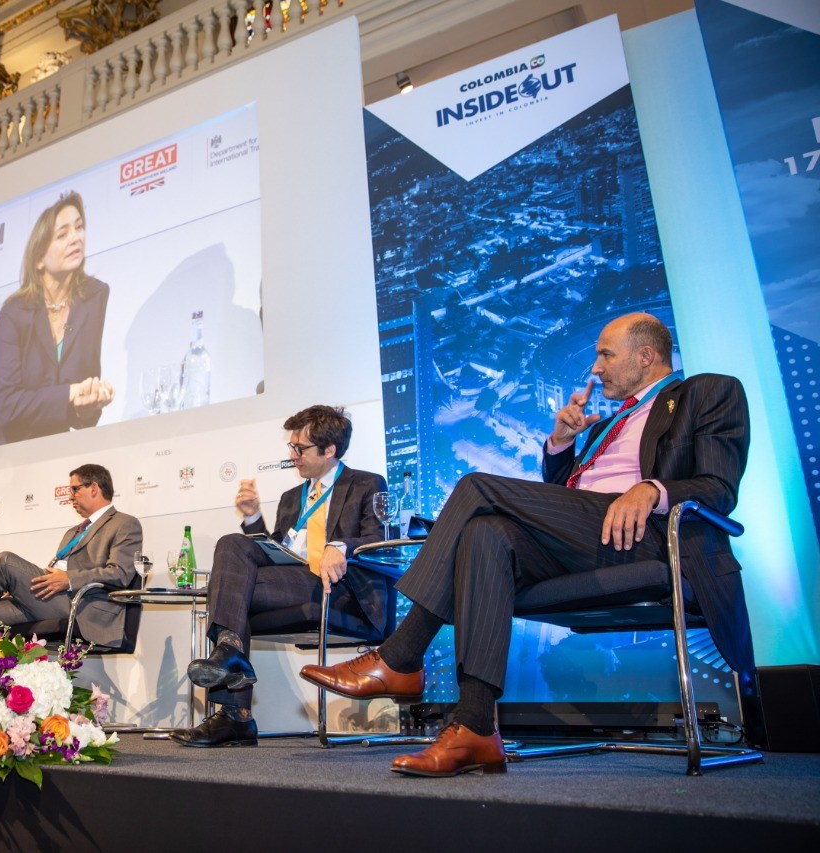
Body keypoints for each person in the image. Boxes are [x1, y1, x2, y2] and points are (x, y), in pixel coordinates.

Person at [301, 313, 755, 776]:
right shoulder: (605, 424)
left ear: (645, 356)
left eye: (606, 355)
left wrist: (652, 490)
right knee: (485, 533)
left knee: (476, 487)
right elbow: (562, 497)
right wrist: (560, 443)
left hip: (650, 539)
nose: (596, 368)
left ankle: (401, 655)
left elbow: (718, 487)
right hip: (585, 541)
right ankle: (475, 726)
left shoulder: (706, 391)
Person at [171, 405, 389, 748]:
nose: (292, 455)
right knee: (232, 544)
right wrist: (252, 518)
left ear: (329, 450)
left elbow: (380, 539)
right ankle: (231, 656)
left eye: (299, 449)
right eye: (292, 447)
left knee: (227, 592)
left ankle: (235, 713)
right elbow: (274, 550)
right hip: (291, 583)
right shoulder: (291, 498)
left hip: (337, 589)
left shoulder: (366, 483)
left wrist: (340, 546)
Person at [0, 191, 115, 452]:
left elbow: (82, 410)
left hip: (47, 451)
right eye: (62, 234)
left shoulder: (93, 298)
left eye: (79, 227)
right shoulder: (14, 313)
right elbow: (9, 407)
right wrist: (71, 393)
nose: (76, 238)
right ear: (39, 259)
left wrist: (88, 405)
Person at [0, 464, 142, 647]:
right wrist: (20, 589)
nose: (70, 497)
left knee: (4, 561)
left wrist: (69, 579)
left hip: (85, 607)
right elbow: (55, 571)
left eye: (75, 489)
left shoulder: (124, 524)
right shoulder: (73, 532)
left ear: (94, 488)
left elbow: (120, 573)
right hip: (53, 601)